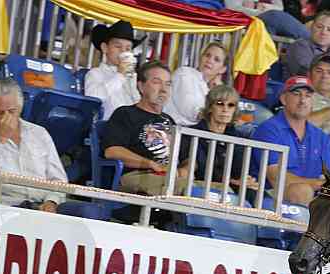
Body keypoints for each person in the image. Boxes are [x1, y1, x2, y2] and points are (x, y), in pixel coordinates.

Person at [0, 78, 67, 212]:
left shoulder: (39, 133)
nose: (6, 118)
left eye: (11, 111)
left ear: (20, 108)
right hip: (3, 207)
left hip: (43, 205)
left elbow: (59, 179)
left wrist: (51, 202)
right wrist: (0, 139)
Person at [102, 61, 185, 197]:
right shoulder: (125, 113)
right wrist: (150, 164)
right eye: (157, 82)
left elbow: (184, 157)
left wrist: (185, 169)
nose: (163, 89)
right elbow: (112, 151)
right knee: (185, 189)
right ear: (141, 86)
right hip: (137, 175)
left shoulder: (170, 120)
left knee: (212, 190)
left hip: (167, 177)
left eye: (168, 84)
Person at [252, 76, 330, 205]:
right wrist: (318, 184)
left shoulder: (320, 136)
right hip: (270, 194)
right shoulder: (269, 129)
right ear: (283, 99)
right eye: (296, 94)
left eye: (307, 96)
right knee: (301, 191)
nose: (303, 100)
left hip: (314, 196)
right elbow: (276, 178)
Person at [180, 85, 250, 190]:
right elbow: (192, 166)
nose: (225, 109)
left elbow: (238, 173)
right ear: (210, 107)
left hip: (230, 189)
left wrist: (245, 180)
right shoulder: (190, 134)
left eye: (231, 105)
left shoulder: (238, 139)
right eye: (220, 104)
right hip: (198, 187)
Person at [85, 20, 142, 120]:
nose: (123, 51)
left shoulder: (132, 77)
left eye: (128, 49)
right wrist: (120, 75)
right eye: (118, 46)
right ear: (105, 48)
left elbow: (137, 102)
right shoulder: (95, 73)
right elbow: (93, 98)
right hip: (107, 125)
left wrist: (132, 80)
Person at [163, 42, 228, 127]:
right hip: (168, 128)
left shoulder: (210, 88)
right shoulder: (185, 73)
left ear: (222, 69)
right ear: (201, 58)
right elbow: (191, 110)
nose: (210, 60)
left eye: (216, 59)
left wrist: (217, 91)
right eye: (207, 55)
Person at [282, 11, 330, 83]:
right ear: (311, 28)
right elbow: (304, 72)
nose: (323, 32)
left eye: (329, 30)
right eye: (319, 27)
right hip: (300, 88)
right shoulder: (299, 46)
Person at [307, 55, 330, 133]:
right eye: (319, 71)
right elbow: (301, 125)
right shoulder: (302, 97)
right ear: (309, 75)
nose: (324, 76)